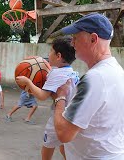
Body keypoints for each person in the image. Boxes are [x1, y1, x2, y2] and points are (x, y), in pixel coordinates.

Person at [52, 13, 124, 159]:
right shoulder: (117, 70)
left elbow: (64, 133)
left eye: (76, 38)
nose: (72, 43)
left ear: (93, 39)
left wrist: (60, 98)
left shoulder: (94, 78)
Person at [16, 37, 79, 160]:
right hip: (72, 117)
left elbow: (42, 96)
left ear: (58, 56)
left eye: (51, 51)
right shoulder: (71, 71)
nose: (48, 54)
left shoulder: (56, 74)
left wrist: (28, 82)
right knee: (64, 146)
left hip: (59, 117)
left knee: (47, 146)